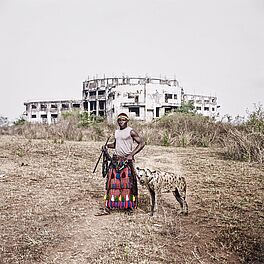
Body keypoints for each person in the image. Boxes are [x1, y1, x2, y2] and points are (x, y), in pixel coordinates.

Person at [101, 112, 145, 214]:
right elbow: (116, 145)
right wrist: (107, 146)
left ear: (127, 121)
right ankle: (110, 206)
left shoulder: (131, 131)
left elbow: (142, 143)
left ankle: (128, 207)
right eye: (119, 120)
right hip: (115, 159)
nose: (121, 122)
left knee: (127, 184)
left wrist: (131, 154)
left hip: (126, 161)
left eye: (123, 120)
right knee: (113, 184)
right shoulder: (116, 132)